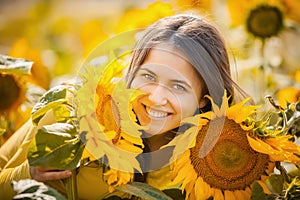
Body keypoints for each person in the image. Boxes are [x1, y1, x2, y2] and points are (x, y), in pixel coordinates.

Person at [0, 14, 248, 199]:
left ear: (203, 100)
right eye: (148, 77)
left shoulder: (210, 166)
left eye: (178, 87)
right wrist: (28, 174)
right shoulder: (74, 109)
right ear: (131, 72)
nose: (155, 98)